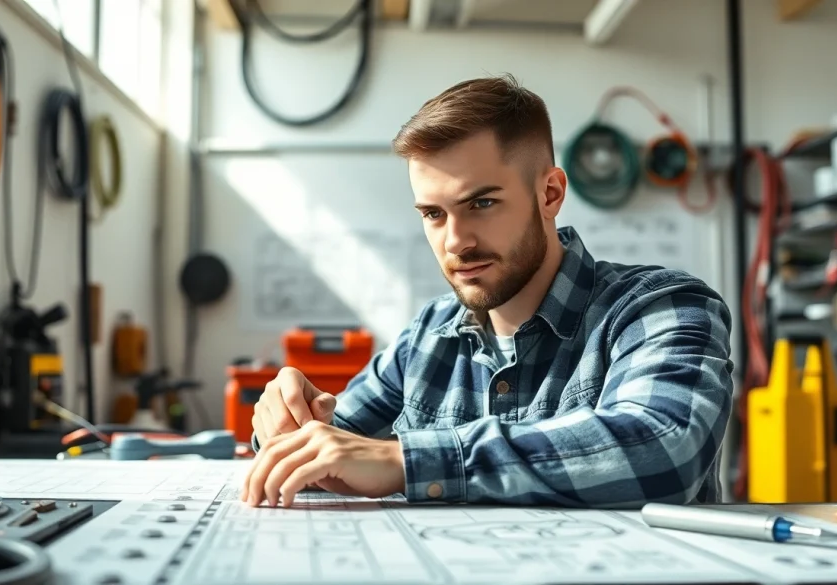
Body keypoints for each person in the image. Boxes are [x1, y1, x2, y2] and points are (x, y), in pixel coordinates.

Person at [240, 74, 734, 509]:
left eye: (481, 203)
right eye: (433, 214)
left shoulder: (660, 307)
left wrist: (408, 462)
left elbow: (664, 448)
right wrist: (284, 428)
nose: (455, 241)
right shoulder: (426, 338)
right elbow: (329, 450)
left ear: (550, 194)